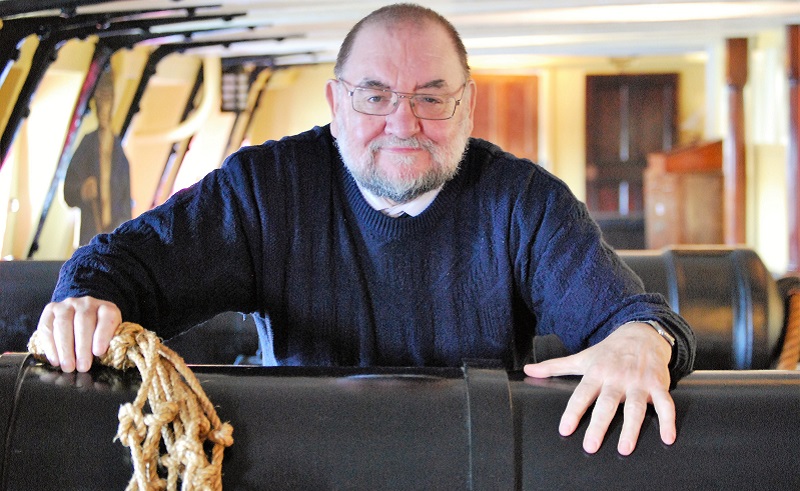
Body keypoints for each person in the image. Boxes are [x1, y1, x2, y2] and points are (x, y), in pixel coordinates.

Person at [35, 3, 695, 457]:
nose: (403, 123)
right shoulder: (266, 189)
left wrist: (640, 341)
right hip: (291, 467)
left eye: (431, 97)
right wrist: (85, 300)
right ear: (335, 102)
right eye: (375, 95)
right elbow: (124, 264)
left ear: (467, 104)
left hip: (477, 466)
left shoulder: (521, 201)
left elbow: (634, 317)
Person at [63, 68, 132, 245]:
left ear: (113, 102)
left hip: (114, 238)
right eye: (99, 99)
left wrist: (121, 235)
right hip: (90, 238)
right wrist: (82, 190)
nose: (103, 106)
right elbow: (68, 191)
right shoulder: (87, 145)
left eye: (107, 99)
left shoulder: (120, 154)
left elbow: (125, 206)